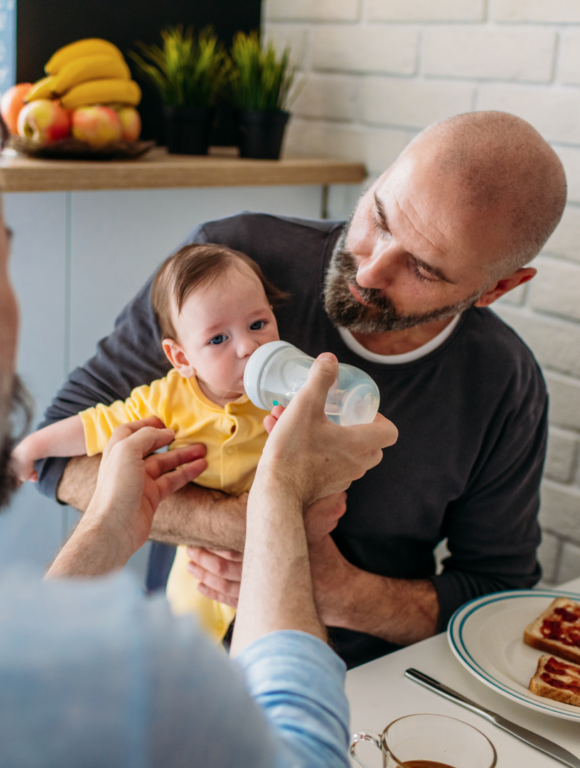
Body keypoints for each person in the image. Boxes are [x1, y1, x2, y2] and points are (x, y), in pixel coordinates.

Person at [0, 28, 399, 766]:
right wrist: (282, 488)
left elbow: (6, 666)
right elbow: (304, 753)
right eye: (6, 255)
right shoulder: (131, 685)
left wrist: (103, 536)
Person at [38, 110, 568, 667]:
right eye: (379, 217)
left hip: (359, 682)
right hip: (178, 657)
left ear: (498, 288)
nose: (368, 272)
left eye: (423, 269)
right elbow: (56, 460)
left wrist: (341, 593)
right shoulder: (231, 263)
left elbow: (498, 600)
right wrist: (249, 529)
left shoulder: (502, 384)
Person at [15, 243, 332, 642]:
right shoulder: (167, 399)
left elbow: (327, 450)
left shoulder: (288, 385)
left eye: (258, 324)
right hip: (201, 554)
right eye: (218, 339)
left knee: (279, 637)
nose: (247, 347)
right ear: (181, 358)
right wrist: (33, 447)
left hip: (280, 548)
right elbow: (96, 427)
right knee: (186, 630)